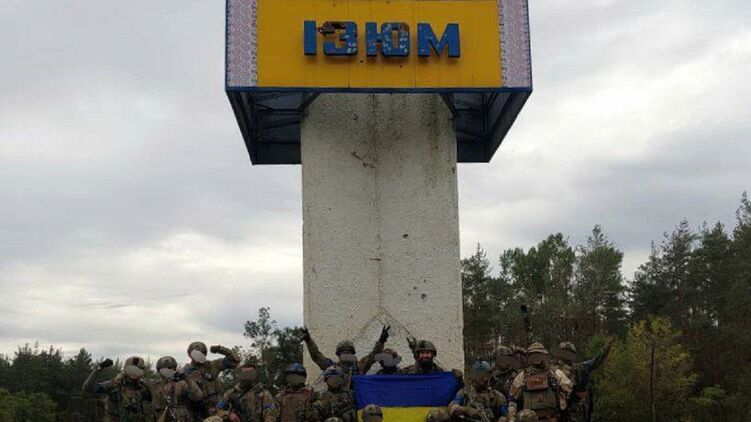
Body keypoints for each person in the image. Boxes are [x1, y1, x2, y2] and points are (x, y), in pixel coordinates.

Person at [302, 325, 390, 388]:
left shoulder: (359, 367)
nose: (346, 355)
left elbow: (374, 356)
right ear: (339, 355)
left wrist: (381, 341)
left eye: (349, 352)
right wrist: (309, 341)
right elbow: (317, 356)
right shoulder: (332, 367)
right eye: (343, 353)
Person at [507, 343, 573, 422]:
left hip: (551, 418)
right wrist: (512, 419)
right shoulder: (522, 376)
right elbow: (512, 401)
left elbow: (569, 390)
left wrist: (562, 399)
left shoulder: (555, 373)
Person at [553, 338, 613, 422]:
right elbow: (595, 362)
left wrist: (606, 348)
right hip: (567, 413)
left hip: (568, 413)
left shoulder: (576, 369)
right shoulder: (577, 369)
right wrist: (606, 348)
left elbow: (595, 361)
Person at [83, 356, 153, 422]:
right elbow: (87, 388)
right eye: (131, 369)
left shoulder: (144, 387)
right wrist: (98, 369)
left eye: (138, 370)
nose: (134, 373)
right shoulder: (114, 384)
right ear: (125, 370)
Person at [183, 342, 242, 418]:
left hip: (216, 409)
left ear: (205, 354)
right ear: (189, 355)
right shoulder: (185, 371)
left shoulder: (213, 365)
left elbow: (235, 361)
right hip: (195, 412)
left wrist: (220, 349)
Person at [152, 356, 204, 422]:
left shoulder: (183, 384)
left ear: (174, 369)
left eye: (170, 368)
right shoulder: (155, 387)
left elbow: (198, 396)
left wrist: (186, 378)